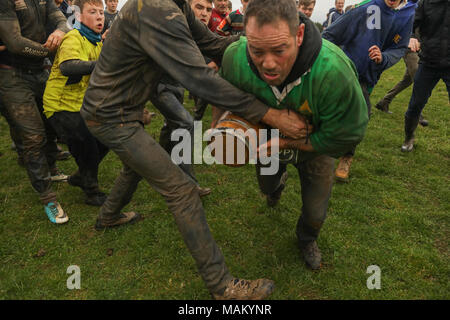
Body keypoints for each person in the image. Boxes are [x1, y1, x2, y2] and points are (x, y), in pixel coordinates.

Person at [80, 0, 307, 300]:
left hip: (120, 111)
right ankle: (222, 286)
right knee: (182, 190)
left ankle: (108, 216)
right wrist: (270, 114)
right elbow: (200, 79)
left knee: (136, 164)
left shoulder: (176, 6)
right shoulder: (157, 10)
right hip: (111, 117)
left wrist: (255, 43)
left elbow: (213, 43)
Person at [217, 0, 368, 269]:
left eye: (279, 49)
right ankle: (277, 184)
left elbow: (346, 134)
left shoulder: (333, 71)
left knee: (315, 209)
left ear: (298, 35)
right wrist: (223, 125)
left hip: (316, 147)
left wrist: (288, 141)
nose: (268, 64)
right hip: (265, 141)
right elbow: (226, 94)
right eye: (257, 50)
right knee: (267, 187)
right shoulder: (235, 56)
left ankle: (307, 239)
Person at [323, 0, 417, 182]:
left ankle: (346, 157)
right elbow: (331, 34)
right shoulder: (367, 7)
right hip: (344, 70)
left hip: (368, 77)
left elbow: (398, 49)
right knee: (331, 110)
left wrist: (383, 58)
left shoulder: (408, 15)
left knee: (360, 117)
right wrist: (326, 59)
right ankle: (318, 151)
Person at [0, 0, 71, 224]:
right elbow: (15, 43)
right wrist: (46, 50)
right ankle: (47, 196)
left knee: (51, 121)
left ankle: (50, 166)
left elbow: (61, 20)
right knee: (33, 135)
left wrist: (60, 31)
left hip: (39, 71)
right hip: (12, 74)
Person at [43, 0, 109, 206]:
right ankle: (91, 191)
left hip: (80, 105)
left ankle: (81, 175)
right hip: (60, 105)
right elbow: (69, 67)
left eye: (101, 12)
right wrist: (104, 64)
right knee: (87, 144)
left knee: (107, 137)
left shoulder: (97, 42)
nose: (100, 16)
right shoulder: (74, 36)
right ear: (79, 16)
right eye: (93, 12)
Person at [401, 0, 450, 152]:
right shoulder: (425, 3)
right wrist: (411, 36)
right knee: (415, 104)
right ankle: (409, 137)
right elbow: (410, 23)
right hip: (429, 62)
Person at [374, 36, 429, 126]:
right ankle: (416, 114)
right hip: (410, 49)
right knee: (419, 80)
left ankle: (384, 102)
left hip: (420, 49)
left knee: (407, 81)